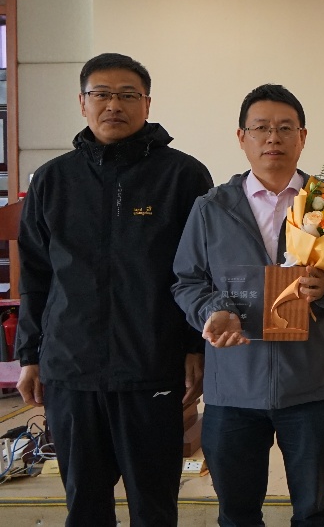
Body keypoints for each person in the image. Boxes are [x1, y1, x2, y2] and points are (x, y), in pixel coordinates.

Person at [15, 53, 212, 527]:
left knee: (154, 505)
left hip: (152, 364)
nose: (113, 105)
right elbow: (36, 275)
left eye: (127, 95)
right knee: (84, 505)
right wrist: (30, 354)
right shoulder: (52, 179)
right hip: (71, 368)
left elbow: (201, 270)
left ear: (147, 103)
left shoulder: (183, 176)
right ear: (82, 102)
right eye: (101, 94)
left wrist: (194, 345)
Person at [169, 84, 324, 527]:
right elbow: (187, 281)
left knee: (315, 512)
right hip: (232, 390)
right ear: (241, 137)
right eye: (260, 128)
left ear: (303, 137)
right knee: (237, 514)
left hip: (309, 388)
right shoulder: (211, 207)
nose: (272, 138)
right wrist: (211, 311)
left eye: (285, 128)